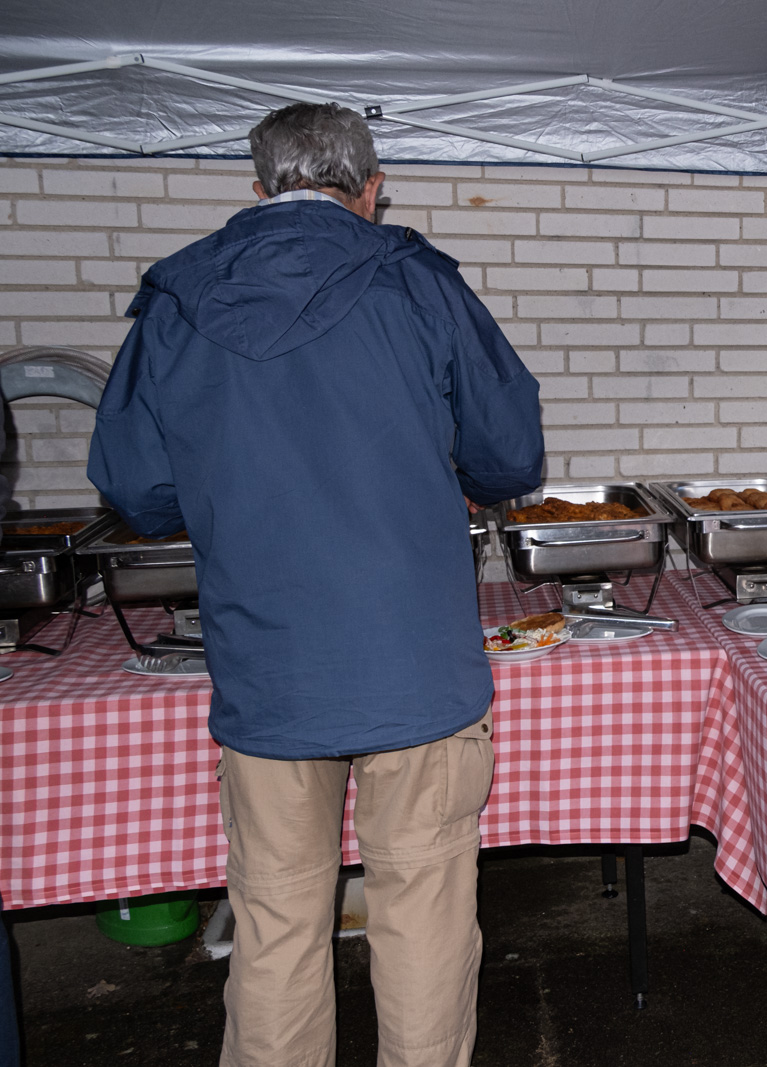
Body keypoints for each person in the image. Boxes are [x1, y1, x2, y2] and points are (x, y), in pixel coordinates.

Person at [88, 102, 545, 1066]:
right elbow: (510, 456)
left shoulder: (177, 301)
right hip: (414, 672)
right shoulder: (420, 283)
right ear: (371, 190)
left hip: (269, 670)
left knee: (275, 923)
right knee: (421, 919)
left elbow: (137, 489)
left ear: (258, 191)